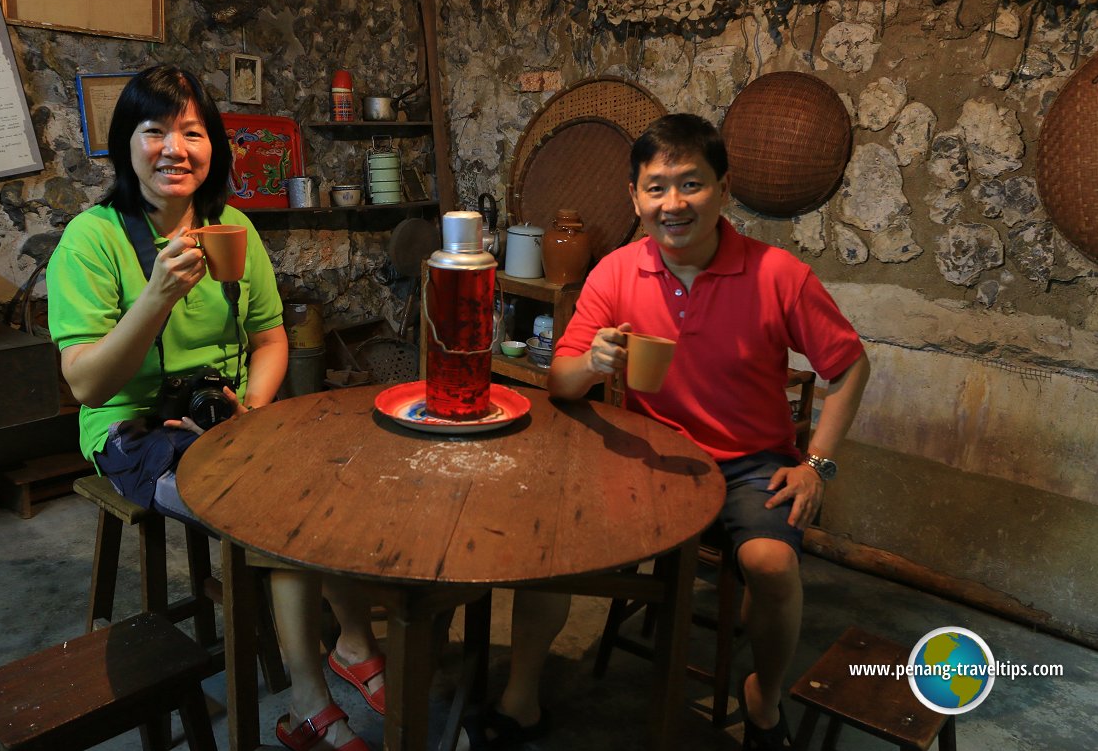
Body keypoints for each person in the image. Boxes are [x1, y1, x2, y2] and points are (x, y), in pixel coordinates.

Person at [464, 113, 870, 751]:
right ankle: (520, 700)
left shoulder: (777, 275)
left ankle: (762, 695)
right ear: (635, 197)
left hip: (750, 461)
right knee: (550, 541)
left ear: (723, 190)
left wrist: (816, 465)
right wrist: (592, 363)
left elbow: (850, 367)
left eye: (691, 184)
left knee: (770, 564)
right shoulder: (616, 272)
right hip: (646, 451)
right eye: (656, 187)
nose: (672, 203)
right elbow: (561, 383)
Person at [46, 64, 384, 751]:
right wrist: (156, 295)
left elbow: (269, 337)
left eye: (191, 132)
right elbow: (86, 384)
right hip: (132, 428)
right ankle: (307, 700)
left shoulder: (229, 227)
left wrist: (256, 402)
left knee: (332, 478)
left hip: (224, 413)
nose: (174, 147)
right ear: (125, 143)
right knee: (274, 509)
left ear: (213, 146)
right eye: (154, 130)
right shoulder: (93, 239)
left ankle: (351, 640)